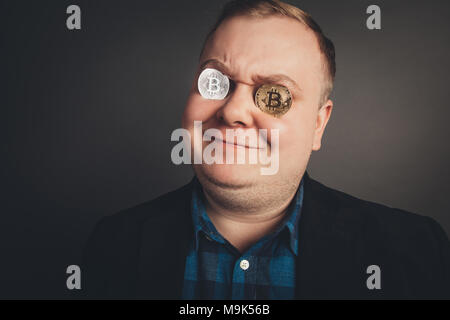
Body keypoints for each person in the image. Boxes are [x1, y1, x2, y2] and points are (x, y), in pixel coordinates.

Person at [82, 0, 450, 299]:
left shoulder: (414, 253)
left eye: (274, 94)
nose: (232, 111)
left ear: (318, 125)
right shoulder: (114, 245)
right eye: (215, 81)